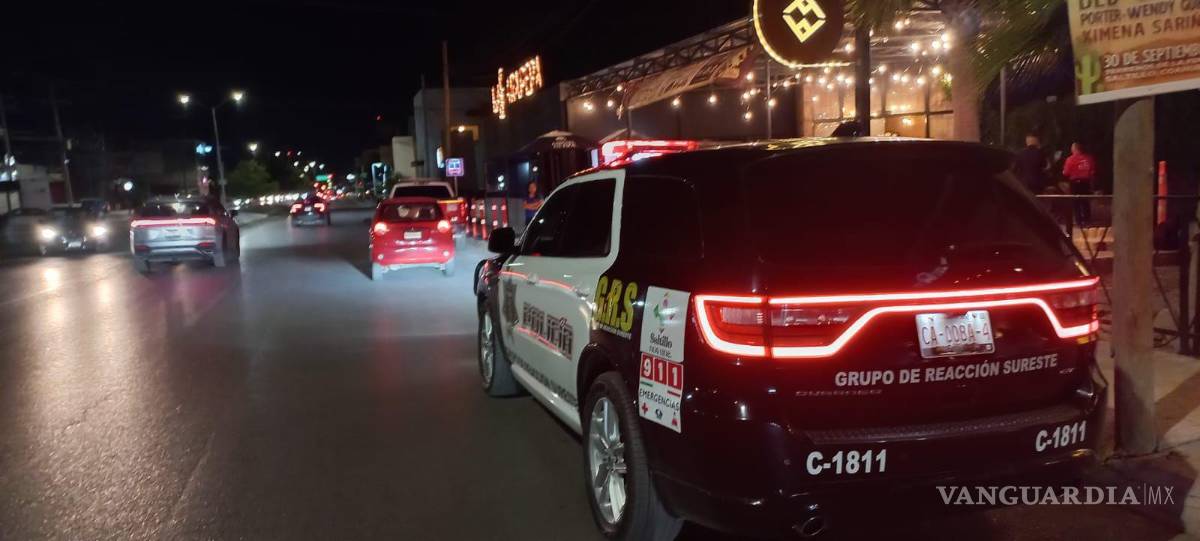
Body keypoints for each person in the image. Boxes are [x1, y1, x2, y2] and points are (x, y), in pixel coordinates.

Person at [1062, 142, 1097, 226]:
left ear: (1074, 149)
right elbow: (1093, 171)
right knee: (1085, 201)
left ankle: (1079, 221)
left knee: (1076, 202)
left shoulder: (1070, 159)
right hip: (1086, 182)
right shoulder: (1088, 158)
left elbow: (1066, 173)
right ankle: (1087, 220)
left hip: (1074, 182)